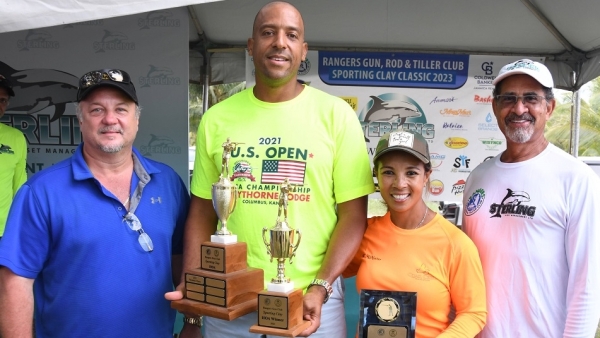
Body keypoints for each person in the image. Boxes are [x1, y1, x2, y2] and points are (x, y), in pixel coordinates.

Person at [166, 1, 375, 337]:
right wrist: (193, 308)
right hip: (229, 302)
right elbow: (204, 212)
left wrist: (320, 286)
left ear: (303, 49)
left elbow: (353, 217)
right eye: (268, 33)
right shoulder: (217, 118)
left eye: (291, 35)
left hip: (310, 301)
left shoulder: (337, 116)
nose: (280, 42)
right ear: (251, 46)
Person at [0, 68, 190, 337]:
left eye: (121, 109)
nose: (110, 119)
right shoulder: (40, 192)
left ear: (136, 119)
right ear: (80, 120)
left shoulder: (168, 182)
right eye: (97, 110)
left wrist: (193, 323)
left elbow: (185, 259)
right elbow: (15, 282)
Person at [462, 59, 600, 337]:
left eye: (531, 99)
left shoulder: (576, 178)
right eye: (509, 98)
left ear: (549, 108)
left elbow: (588, 282)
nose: (519, 108)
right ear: (495, 107)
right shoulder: (478, 178)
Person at [344, 130, 487, 338]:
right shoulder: (364, 232)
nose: (399, 184)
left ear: (426, 175)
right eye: (389, 172)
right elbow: (334, 267)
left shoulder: (454, 243)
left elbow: (474, 313)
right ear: (377, 174)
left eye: (411, 173)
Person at [0, 74, 27, 240]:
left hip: (4, 231)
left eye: (3, 100)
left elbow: (20, 186)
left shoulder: (16, 137)